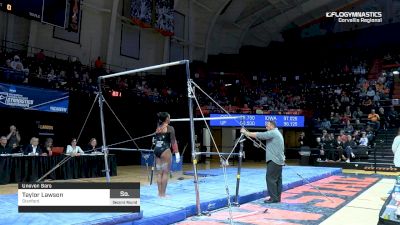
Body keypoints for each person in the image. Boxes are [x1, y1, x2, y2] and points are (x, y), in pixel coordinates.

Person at [240, 120, 285, 203]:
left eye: (267, 126)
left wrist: (246, 132)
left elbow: (260, 135)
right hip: (279, 160)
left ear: (272, 126)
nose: (266, 127)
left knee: (270, 179)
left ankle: (273, 198)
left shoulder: (273, 132)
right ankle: (277, 198)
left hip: (274, 160)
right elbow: (262, 137)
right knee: (277, 180)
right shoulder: (277, 133)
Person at [153, 112, 180, 198]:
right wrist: (177, 152)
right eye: (169, 117)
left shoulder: (158, 128)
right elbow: (173, 141)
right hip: (165, 150)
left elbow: (155, 141)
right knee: (165, 173)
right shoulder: (170, 128)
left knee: (159, 173)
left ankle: (159, 193)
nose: (170, 119)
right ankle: (163, 194)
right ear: (166, 119)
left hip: (157, 150)